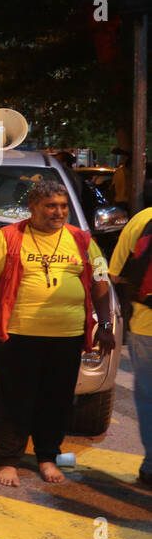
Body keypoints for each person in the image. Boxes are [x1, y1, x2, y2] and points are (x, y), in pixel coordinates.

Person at [0, 180, 115, 487]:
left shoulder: (81, 239)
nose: (58, 212)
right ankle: (9, 460)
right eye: (51, 205)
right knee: (15, 399)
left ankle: (47, 457)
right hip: (18, 333)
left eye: (63, 206)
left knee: (56, 400)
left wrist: (104, 325)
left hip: (66, 336)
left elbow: (101, 281)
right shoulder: (8, 237)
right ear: (33, 207)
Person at [110, 202, 152, 486]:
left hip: (147, 325)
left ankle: (151, 467)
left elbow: (115, 272)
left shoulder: (143, 219)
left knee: (149, 399)